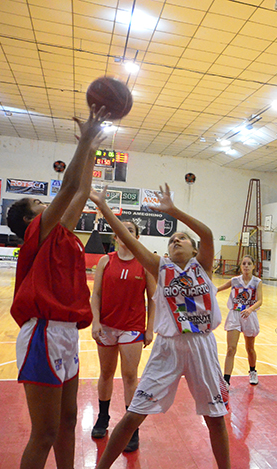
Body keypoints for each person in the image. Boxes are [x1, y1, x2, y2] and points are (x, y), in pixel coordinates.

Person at [90, 184, 230, 469]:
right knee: (133, 415)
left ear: (193, 249)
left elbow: (208, 234)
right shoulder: (159, 267)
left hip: (202, 345)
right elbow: (128, 239)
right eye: (172, 240)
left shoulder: (202, 267)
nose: (176, 241)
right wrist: (104, 208)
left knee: (215, 418)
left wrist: (174, 211)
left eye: (182, 239)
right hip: (168, 347)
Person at [6, 105, 108, 469]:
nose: (44, 201)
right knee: (44, 432)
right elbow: (69, 186)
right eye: (37, 202)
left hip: (65, 333)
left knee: (67, 423)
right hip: (43, 334)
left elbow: (81, 189)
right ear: (29, 220)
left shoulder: (61, 235)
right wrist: (84, 141)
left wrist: (93, 143)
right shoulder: (38, 233)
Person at [90, 221, 156, 452]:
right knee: (106, 373)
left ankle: (131, 428)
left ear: (137, 237)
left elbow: (153, 299)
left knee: (130, 376)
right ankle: (103, 417)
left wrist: (149, 328)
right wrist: (96, 321)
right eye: (122, 229)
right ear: (115, 236)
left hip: (133, 326)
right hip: (107, 325)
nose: (126, 232)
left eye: (131, 230)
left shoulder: (145, 265)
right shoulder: (105, 261)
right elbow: (95, 294)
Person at [218, 255, 263, 387]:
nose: (246, 266)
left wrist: (250, 309)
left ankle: (253, 371)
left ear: (253, 266)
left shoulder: (257, 282)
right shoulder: (234, 281)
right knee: (231, 349)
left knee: (250, 348)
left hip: (249, 315)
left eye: (249, 263)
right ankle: (226, 380)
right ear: (241, 266)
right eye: (244, 263)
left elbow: (260, 300)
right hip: (234, 314)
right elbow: (219, 288)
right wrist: (210, 290)